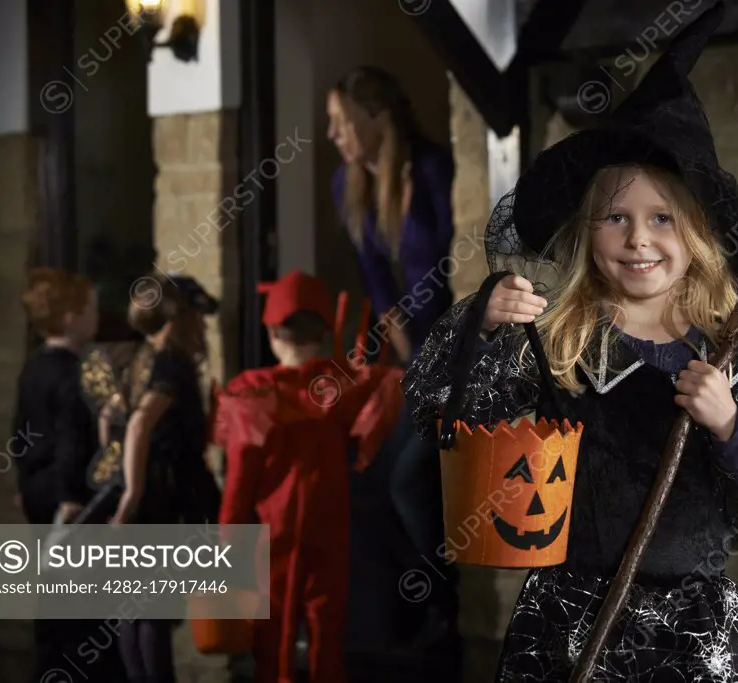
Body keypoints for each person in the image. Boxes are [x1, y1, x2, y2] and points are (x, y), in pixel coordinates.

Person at [403, 3, 738, 681]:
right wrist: (483, 327)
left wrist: (730, 423)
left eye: (662, 218)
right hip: (570, 621)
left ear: (699, 235)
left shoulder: (736, 358)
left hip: (695, 633)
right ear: (586, 231)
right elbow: (444, 417)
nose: (638, 239)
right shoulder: (561, 344)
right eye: (614, 217)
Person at [215, 269, 403, 683]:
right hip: (329, 527)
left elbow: (238, 485)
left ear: (272, 333)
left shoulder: (250, 394)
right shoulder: (342, 387)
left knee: (273, 637)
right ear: (322, 332)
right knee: (326, 633)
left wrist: (227, 547)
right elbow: (388, 385)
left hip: (272, 533)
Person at [327, 65, 459, 648]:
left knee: (408, 480)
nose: (333, 134)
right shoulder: (347, 185)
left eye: (340, 122)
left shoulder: (434, 171)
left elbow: (462, 273)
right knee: (376, 482)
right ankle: (418, 613)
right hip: (416, 362)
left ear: (378, 118)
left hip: (462, 353)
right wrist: (412, 364)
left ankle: (450, 606)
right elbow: (381, 291)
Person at [13, 268, 127, 683]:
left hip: (39, 494)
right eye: (90, 310)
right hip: (72, 502)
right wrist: (70, 499)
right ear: (69, 318)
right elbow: (70, 442)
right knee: (83, 608)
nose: (97, 318)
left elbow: (21, 433)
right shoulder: (73, 376)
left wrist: (25, 484)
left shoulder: (33, 370)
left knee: (53, 600)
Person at [113, 274, 223, 683]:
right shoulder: (171, 365)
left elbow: (115, 418)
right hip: (164, 495)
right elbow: (140, 422)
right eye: (197, 315)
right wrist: (134, 488)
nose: (204, 325)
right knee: (152, 611)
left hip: (154, 492)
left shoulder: (140, 358)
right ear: (178, 318)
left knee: (138, 609)